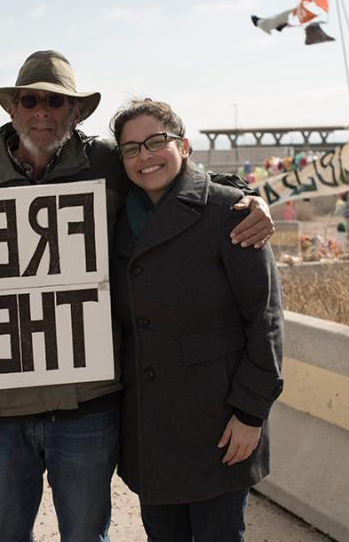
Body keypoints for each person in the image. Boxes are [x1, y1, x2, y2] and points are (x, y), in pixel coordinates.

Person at [0, 51, 275, 542]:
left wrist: (249, 196)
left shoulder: (108, 164)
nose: (43, 111)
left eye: (56, 102)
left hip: (87, 411)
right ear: (12, 109)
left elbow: (174, 177)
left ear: (75, 113)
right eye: (31, 100)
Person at [109, 98, 284, 542]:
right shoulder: (114, 220)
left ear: (184, 146)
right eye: (131, 149)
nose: (144, 156)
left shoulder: (232, 212)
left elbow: (264, 319)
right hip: (151, 427)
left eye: (155, 142)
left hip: (219, 424)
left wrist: (251, 412)